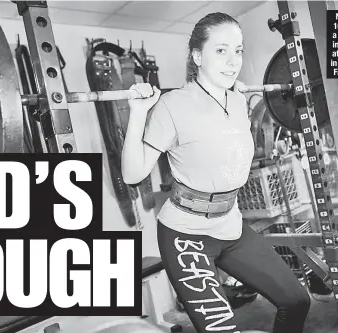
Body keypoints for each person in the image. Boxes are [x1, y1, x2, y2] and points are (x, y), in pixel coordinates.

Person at [121, 12, 311, 333]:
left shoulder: (237, 99)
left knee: (296, 301)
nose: (233, 60)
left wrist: (231, 90)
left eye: (238, 50)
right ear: (197, 56)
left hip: (231, 226)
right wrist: (138, 113)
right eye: (221, 50)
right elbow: (132, 174)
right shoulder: (173, 105)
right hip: (186, 236)